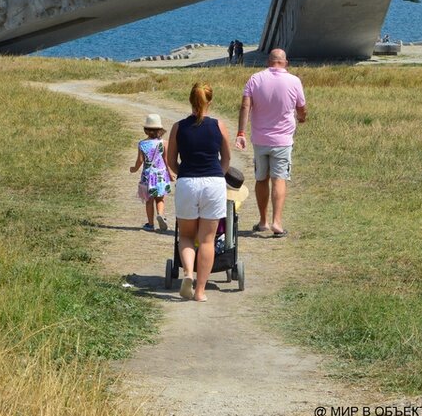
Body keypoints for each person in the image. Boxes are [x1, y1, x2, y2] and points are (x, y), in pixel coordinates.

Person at [164, 83, 231, 303]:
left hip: (187, 182)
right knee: (207, 240)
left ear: (190, 100)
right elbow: (227, 159)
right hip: (213, 182)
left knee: (185, 236)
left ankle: (187, 274)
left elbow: (171, 160)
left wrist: (181, 172)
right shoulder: (219, 126)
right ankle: (200, 291)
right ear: (209, 101)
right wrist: (218, 174)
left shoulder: (178, 127)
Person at [235, 48, 306, 238]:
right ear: (285, 62)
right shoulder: (294, 81)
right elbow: (301, 108)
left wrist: (241, 132)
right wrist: (302, 117)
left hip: (260, 139)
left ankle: (263, 221)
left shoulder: (255, 79)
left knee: (261, 179)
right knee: (279, 178)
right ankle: (277, 221)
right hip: (283, 140)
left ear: (269, 61)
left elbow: (245, 106)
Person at [130, 114, 171, 232]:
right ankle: (161, 215)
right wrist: (170, 174)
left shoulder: (142, 144)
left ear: (146, 130)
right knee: (160, 199)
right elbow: (166, 160)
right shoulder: (164, 143)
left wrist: (134, 168)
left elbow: (140, 161)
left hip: (148, 176)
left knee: (149, 201)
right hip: (161, 175)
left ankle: (150, 224)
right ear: (160, 130)